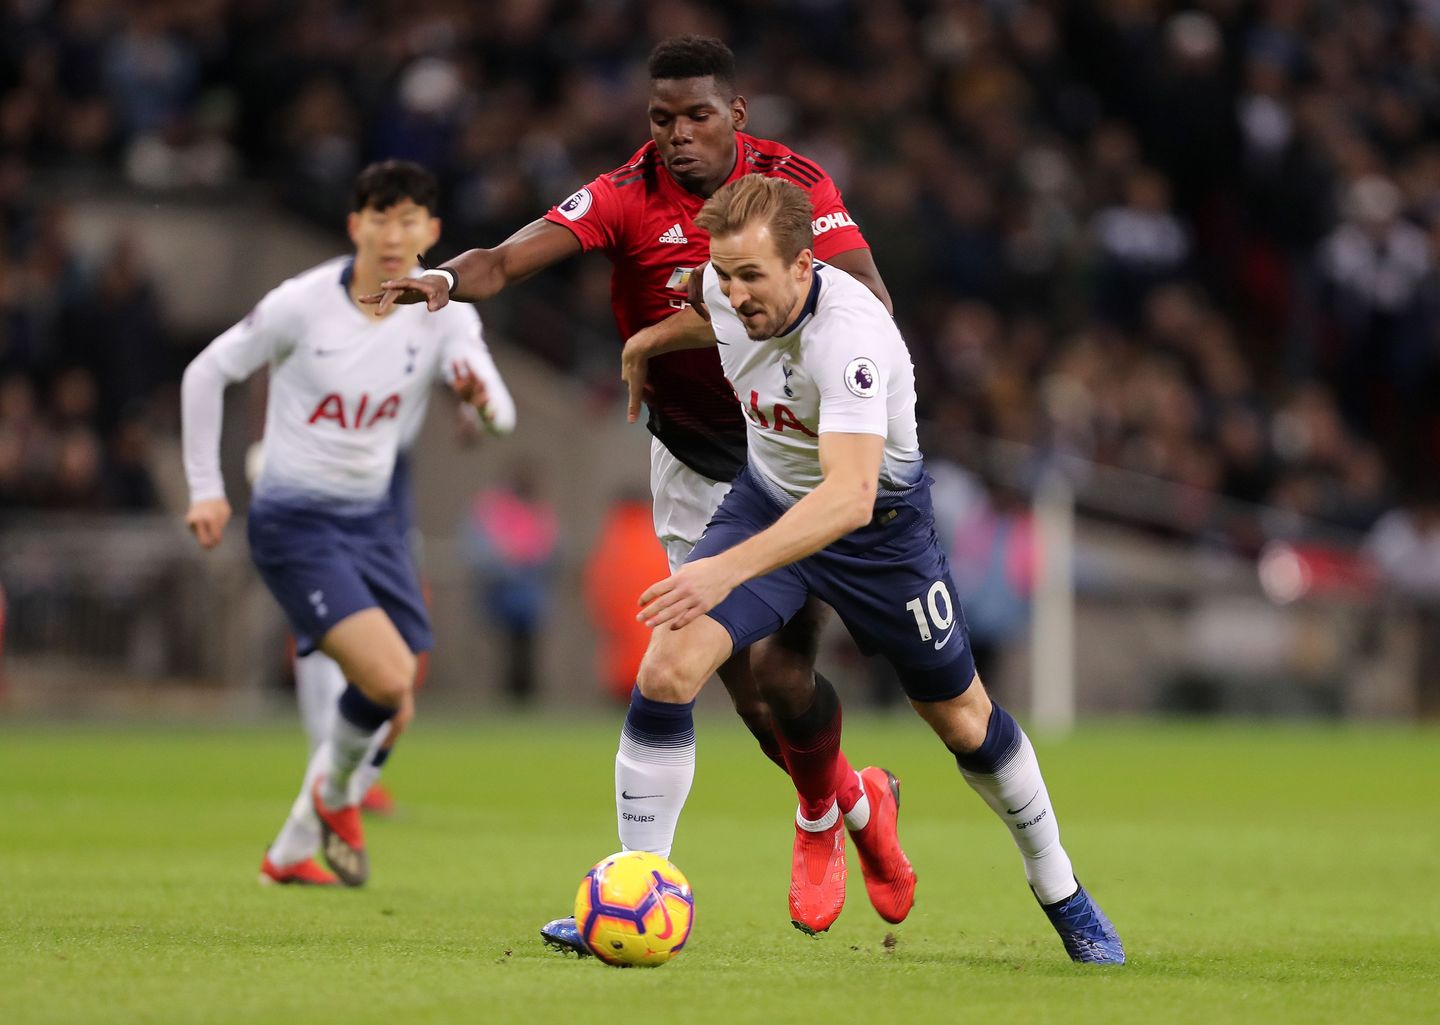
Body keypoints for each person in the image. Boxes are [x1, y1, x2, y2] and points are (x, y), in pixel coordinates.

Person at [369, 37, 913, 944]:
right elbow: (506, 260)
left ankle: (816, 821)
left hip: (790, 462)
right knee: (734, 688)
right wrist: (443, 281)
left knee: (784, 671)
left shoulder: (794, 188)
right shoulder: (625, 194)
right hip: (695, 470)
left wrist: (671, 333)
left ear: (735, 115)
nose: (676, 135)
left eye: (697, 116)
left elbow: (865, 295)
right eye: (661, 118)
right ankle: (857, 802)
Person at [616, 175, 1124, 959]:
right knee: (668, 666)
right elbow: (704, 308)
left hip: (879, 533)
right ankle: (633, 883)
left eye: (752, 276)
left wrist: (721, 571)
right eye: (724, 274)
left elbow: (850, 498)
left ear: (805, 266)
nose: (734, 293)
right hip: (768, 501)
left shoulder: (849, 338)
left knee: (964, 721)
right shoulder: (724, 289)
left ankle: (1061, 889)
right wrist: (648, 339)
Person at [181, 160, 516, 886]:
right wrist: (207, 488)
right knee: (387, 674)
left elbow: (501, 411)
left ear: (432, 232)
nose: (394, 235)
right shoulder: (302, 305)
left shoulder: (446, 313)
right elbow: (206, 372)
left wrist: (481, 403)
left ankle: (294, 847)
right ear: (355, 225)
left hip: (374, 522)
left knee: (397, 705)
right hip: (294, 520)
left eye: (410, 221)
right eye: (380, 217)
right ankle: (335, 796)